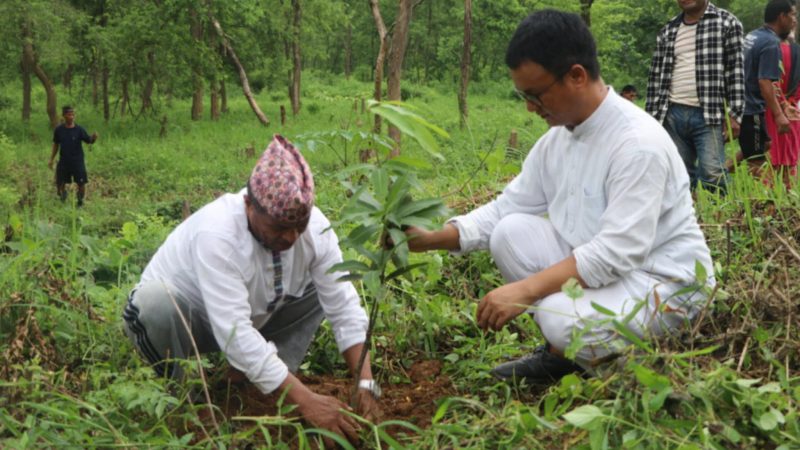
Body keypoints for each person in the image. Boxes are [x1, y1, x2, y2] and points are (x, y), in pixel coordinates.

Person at [405, 10, 714, 385]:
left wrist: (524, 290)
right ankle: (573, 355)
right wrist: (434, 238)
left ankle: (624, 365)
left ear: (576, 76)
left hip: (662, 285)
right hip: (610, 275)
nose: (530, 108)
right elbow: (508, 207)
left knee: (555, 314)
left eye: (535, 94)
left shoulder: (637, 145)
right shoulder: (560, 139)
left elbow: (615, 253)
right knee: (510, 232)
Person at [122, 135, 381, 445]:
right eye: (278, 228)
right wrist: (307, 400)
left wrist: (366, 383)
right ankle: (187, 400)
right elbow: (235, 332)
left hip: (256, 313)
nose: (290, 238)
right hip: (189, 321)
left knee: (320, 286)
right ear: (248, 205)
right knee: (153, 303)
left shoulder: (315, 231)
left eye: (299, 227)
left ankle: (248, 382)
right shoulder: (218, 233)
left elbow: (344, 306)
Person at [646, 0, 744, 194]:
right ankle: (687, 220)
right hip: (672, 113)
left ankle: (719, 220)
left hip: (708, 114)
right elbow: (655, 77)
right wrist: (650, 120)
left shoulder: (727, 22)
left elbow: (736, 71)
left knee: (713, 173)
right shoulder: (668, 29)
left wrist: (735, 113)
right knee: (678, 175)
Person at [736, 0, 798, 176]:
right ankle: (766, 200)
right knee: (758, 164)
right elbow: (765, 82)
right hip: (752, 109)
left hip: (743, 104)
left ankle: (721, 171)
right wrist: (779, 115)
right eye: (793, 15)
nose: (794, 20)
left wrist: (784, 105)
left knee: (765, 144)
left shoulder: (754, 35)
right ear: (782, 16)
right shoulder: (771, 43)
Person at [764, 32, 800, 188]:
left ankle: (766, 203)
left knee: (768, 160)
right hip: (792, 109)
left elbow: (767, 81)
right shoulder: (796, 52)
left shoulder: (767, 50)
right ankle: (790, 202)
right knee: (790, 161)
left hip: (768, 108)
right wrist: (790, 102)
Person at [48, 106, 98, 207]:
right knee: (60, 183)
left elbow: (89, 141)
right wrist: (51, 159)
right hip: (64, 161)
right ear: (64, 116)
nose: (72, 117)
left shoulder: (79, 130)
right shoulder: (59, 130)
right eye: (69, 114)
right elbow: (56, 144)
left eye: (73, 114)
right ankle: (63, 196)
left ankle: (80, 202)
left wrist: (93, 138)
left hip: (77, 161)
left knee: (81, 183)